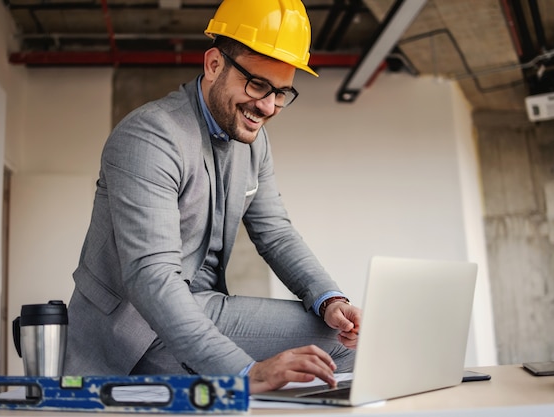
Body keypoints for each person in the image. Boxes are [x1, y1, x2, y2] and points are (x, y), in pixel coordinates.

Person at [64, 0, 361, 394]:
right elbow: (151, 277)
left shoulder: (253, 142)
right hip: (134, 332)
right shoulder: (150, 137)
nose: (268, 106)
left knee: (344, 339)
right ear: (214, 65)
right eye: (257, 85)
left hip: (200, 307)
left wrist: (329, 300)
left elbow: (275, 232)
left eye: (282, 93)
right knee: (324, 352)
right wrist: (243, 372)